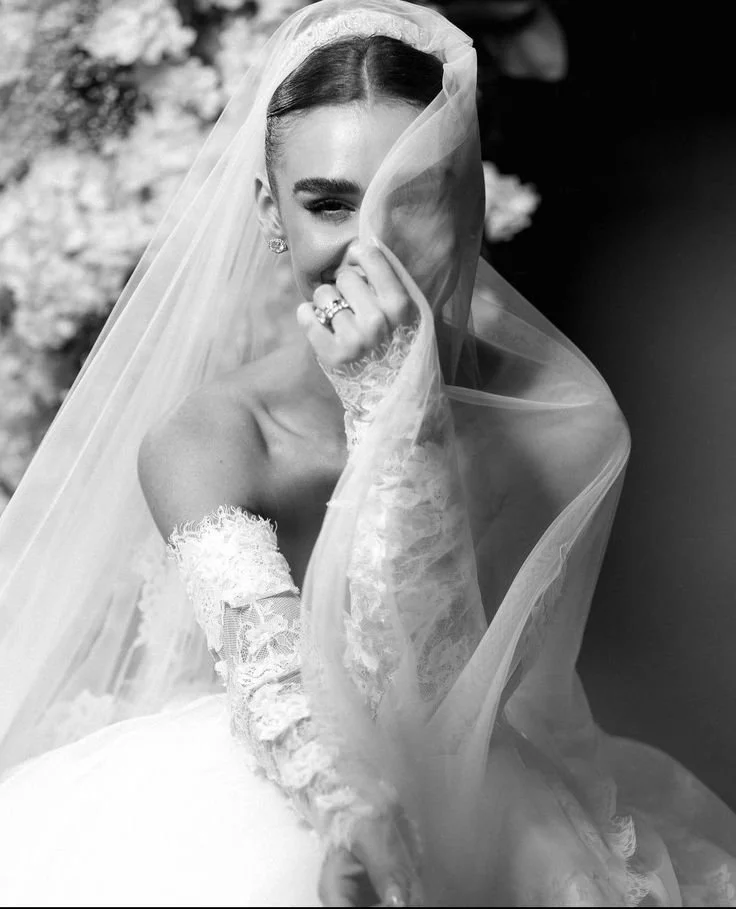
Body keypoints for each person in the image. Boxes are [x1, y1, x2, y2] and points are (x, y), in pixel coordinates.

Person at [0, 1, 734, 906]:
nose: (369, 242)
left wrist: (395, 418)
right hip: (254, 785)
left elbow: (429, 701)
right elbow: (279, 692)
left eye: (409, 196)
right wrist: (351, 818)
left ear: (470, 203)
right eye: (329, 204)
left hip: (473, 789)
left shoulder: (567, 425)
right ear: (271, 212)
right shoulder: (213, 439)